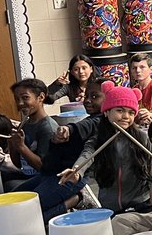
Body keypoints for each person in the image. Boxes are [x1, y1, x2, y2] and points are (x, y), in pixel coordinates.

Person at [59, 82, 152, 214]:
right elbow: (87, 155)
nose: (126, 116)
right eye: (120, 110)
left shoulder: (142, 137)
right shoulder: (98, 139)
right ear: (106, 112)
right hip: (110, 205)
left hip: (142, 203)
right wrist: (76, 171)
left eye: (131, 112)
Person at [24, 79, 103, 220]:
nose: (88, 100)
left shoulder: (100, 121)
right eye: (86, 96)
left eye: (95, 96)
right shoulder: (95, 118)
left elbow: (85, 129)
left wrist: (69, 129)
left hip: (71, 177)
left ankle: (77, 199)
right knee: (16, 200)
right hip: (57, 173)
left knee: (28, 212)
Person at [7, 79, 58, 190]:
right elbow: (19, 164)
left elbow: (44, 167)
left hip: (45, 179)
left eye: (25, 98)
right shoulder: (25, 124)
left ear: (41, 97)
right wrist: (13, 145)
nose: (20, 103)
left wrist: (21, 147)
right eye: (17, 99)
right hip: (28, 175)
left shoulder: (47, 128)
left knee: (11, 189)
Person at [129, 52, 152, 125]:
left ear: (151, 69)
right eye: (134, 68)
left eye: (142, 67)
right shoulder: (134, 89)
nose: (138, 70)